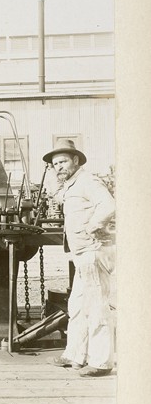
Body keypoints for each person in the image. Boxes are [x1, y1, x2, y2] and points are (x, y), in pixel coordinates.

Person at [43, 139, 115, 377]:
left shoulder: (88, 181)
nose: (59, 167)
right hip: (82, 255)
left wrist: (93, 226)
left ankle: (102, 362)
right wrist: (50, 175)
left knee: (97, 307)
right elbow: (58, 196)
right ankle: (75, 355)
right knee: (77, 306)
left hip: (93, 252)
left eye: (63, 161)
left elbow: (108, 205)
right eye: (55, 164)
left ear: (76, 160)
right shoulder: (72, 186)